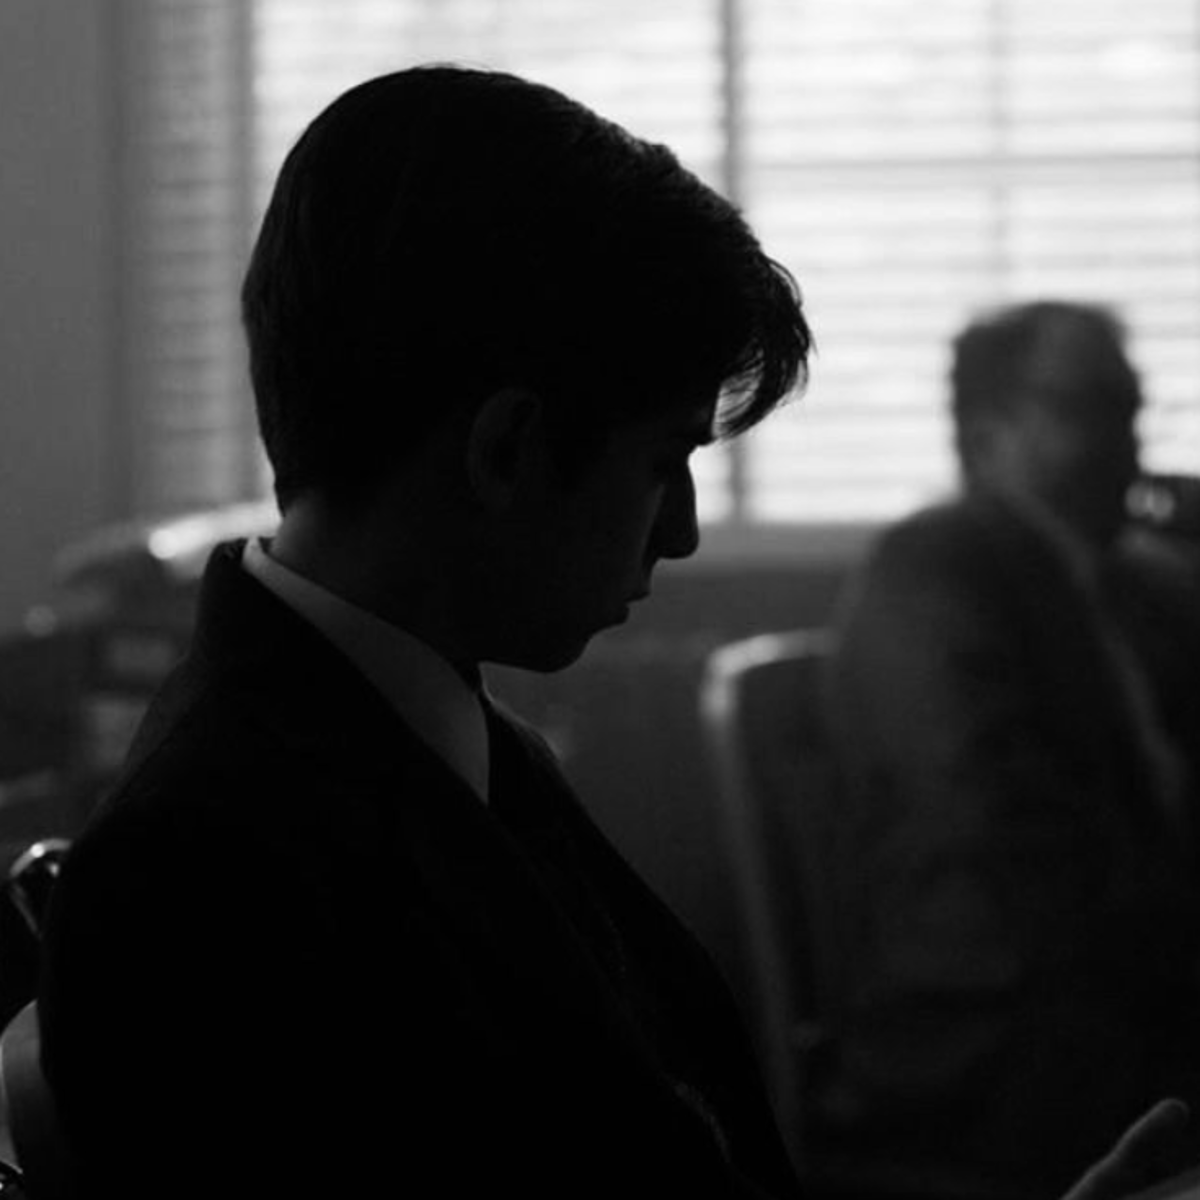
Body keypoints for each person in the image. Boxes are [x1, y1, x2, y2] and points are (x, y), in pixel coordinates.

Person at [36, 72, 1190, 1200]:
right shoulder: (201, 885)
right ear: (507, 450)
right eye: (665, 460)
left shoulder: (437, 738)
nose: (680, 531)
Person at [814, 299, 1200, 1199]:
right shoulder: (930, 568)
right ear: (985, 434)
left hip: (1133, 1010)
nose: (1126, 440)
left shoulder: (1142, 582)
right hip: (997, 1030)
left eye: (1131, 407)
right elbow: (995, 834)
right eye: (1089, 408)